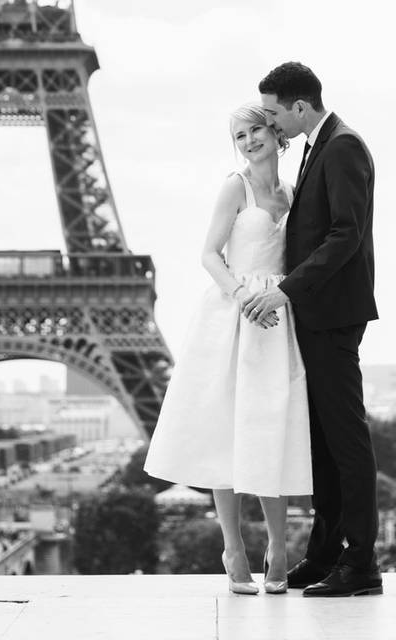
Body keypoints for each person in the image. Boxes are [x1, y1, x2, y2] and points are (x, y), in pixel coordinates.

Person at [143, 102, 313, 595]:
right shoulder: (233, 187)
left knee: (268, 431)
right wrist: (242, 297)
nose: (247, 141)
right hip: (234, 313)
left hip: (276, 317)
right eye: (238, 135)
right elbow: (208, 254)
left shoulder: (291, 191)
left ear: (274, 133)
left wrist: (273, 297)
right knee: (225, 431)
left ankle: (279, 548)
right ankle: (234, 547)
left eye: (255, 130)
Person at [244, 61, 381, 597]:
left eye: (275, 113)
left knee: (346, 441)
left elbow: (346, 233)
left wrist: (285, 289)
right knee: (324, 442)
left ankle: (361, 562)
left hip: (331, 313)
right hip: (318, 311)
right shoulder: (319, 145)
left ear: (300, 106)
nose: (272, 125)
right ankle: (326, 555)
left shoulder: (343, 146)